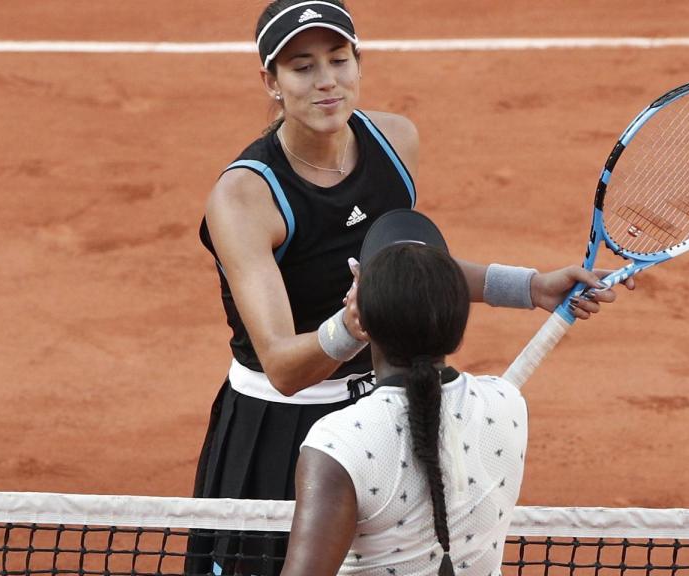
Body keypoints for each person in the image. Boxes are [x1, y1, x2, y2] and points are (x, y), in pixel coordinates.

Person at [189, 1, 630, 573]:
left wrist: (530, 287)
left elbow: (405, 268)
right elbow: (282, 366)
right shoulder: (245, 197)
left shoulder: (395, 141)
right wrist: (351, 326)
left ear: (359, 62)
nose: (326, 81)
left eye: (339, 60)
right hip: (279, 429)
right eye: (301, 67)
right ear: (270, 82)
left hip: (385, 412)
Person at [282, 209, 527, 576]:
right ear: (458, 331)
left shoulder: (338, 444)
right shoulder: (508, 405)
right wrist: (530, 286)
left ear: (358, 321)